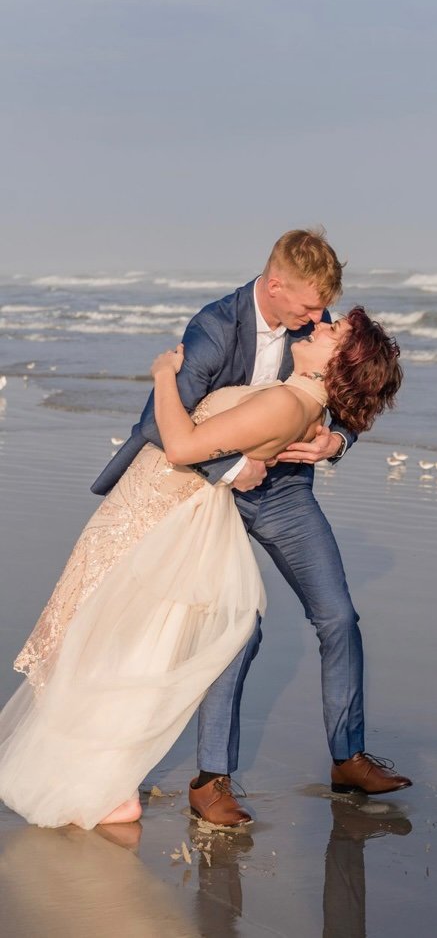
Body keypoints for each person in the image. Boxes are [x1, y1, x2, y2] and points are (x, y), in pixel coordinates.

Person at [0, 301, 402, 829]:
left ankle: (348, 758)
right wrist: (233, 463)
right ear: (277, 283)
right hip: (208, 488)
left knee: (338, 617)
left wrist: (337, 440)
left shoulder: (318, 331)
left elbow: (358, 391)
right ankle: (212, 780)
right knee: (235, 630)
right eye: (311, 307)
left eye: (326, 316)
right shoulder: (218, 326)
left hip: (283, 493)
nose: (317, 317)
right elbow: (161, 422)